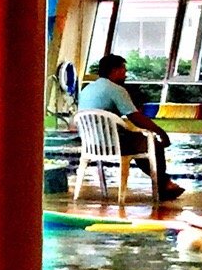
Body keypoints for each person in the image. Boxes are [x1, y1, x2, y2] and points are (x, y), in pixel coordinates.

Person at [78, 54, 184, 205]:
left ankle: (164, 182)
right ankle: (163, 185)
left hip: (91, 144)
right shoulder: (116, 89)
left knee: (139, 142)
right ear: (114, 70)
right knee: (151, 143)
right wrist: (161, 132)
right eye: (123, 70)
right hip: (111, 144)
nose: (125, 74)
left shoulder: (87, 89)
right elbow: (136, 118)